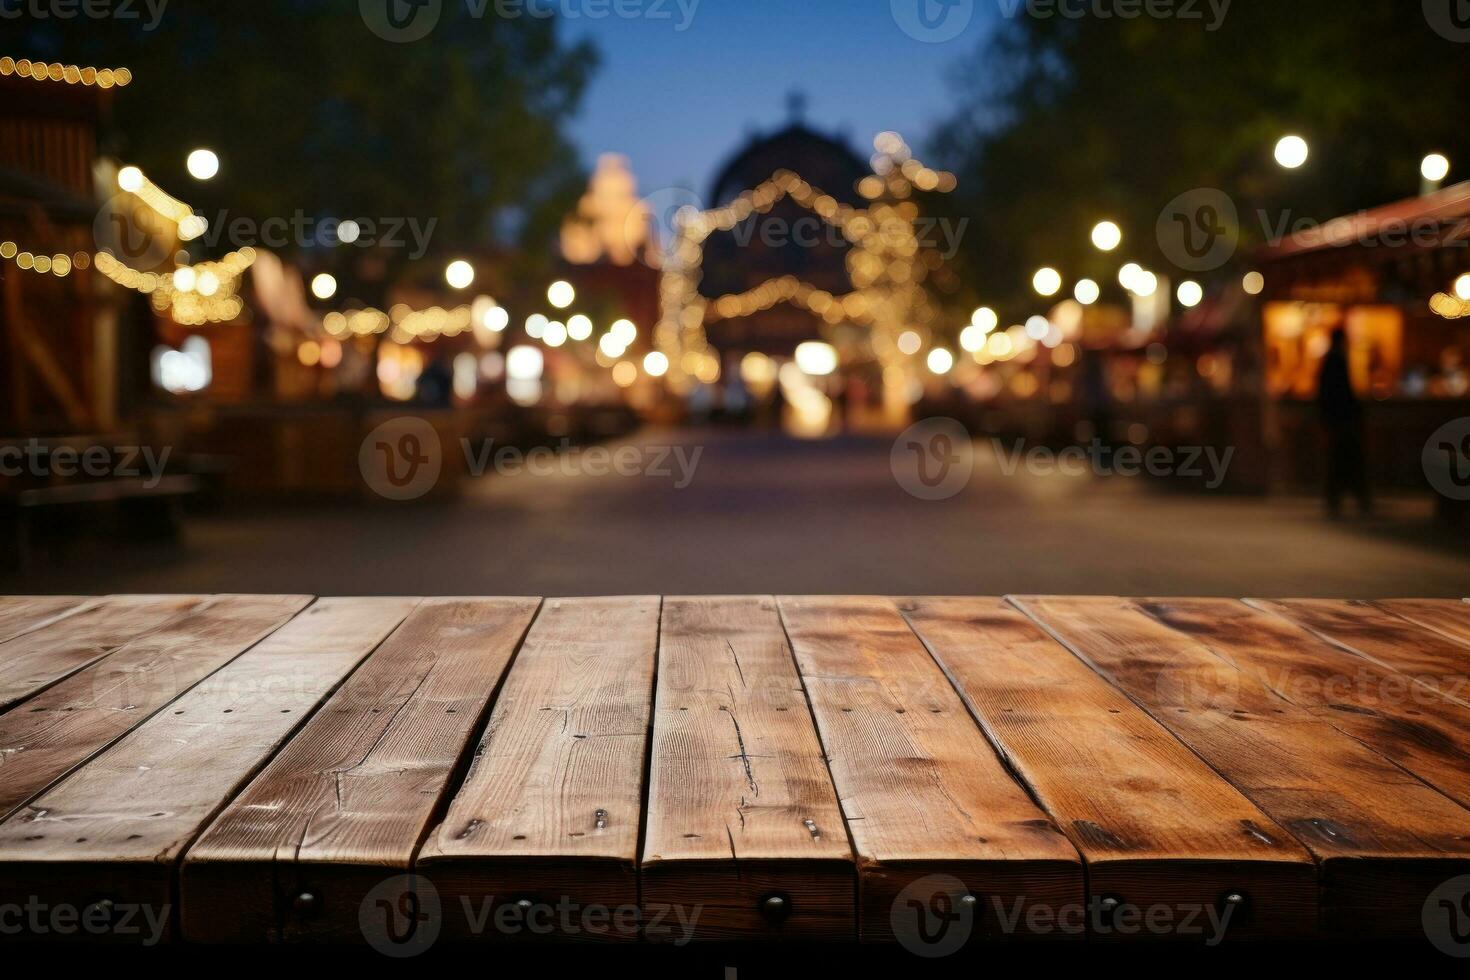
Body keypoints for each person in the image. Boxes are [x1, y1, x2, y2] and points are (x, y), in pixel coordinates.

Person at [1317, 328, 1371, 517]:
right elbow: (1340, 393)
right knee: (1346, 461)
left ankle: (1339, 501)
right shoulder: (1336, 360)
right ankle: (1353, 500)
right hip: (1342, 421)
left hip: (1337, 420)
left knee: (1340, 463)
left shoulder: (1331, 360)